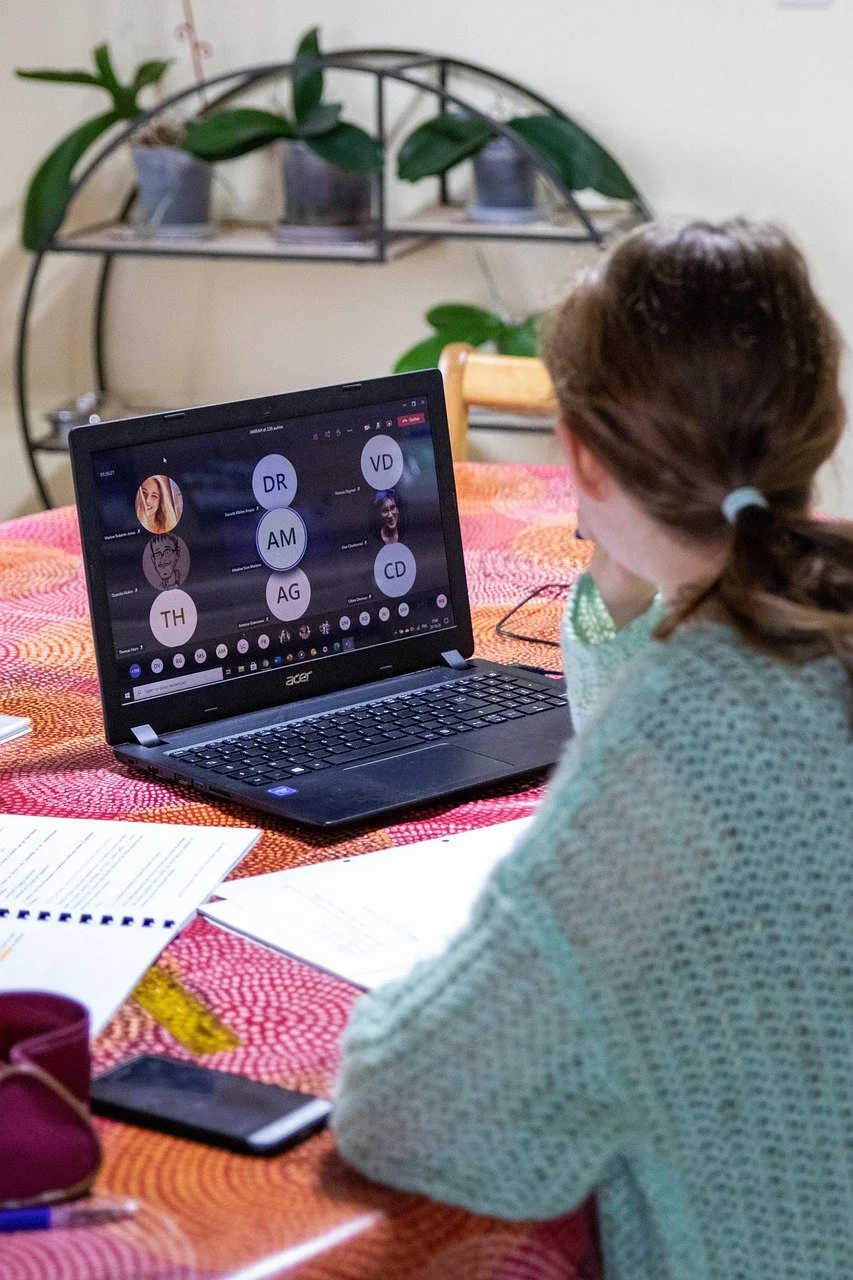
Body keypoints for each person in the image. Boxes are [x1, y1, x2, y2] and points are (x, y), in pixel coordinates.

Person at [333, 220, 853, 1280]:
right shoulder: (814, 613)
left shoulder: (678, 755)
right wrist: (630, 596)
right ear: (820, 422)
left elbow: (404, 1103)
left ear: (577, 455)